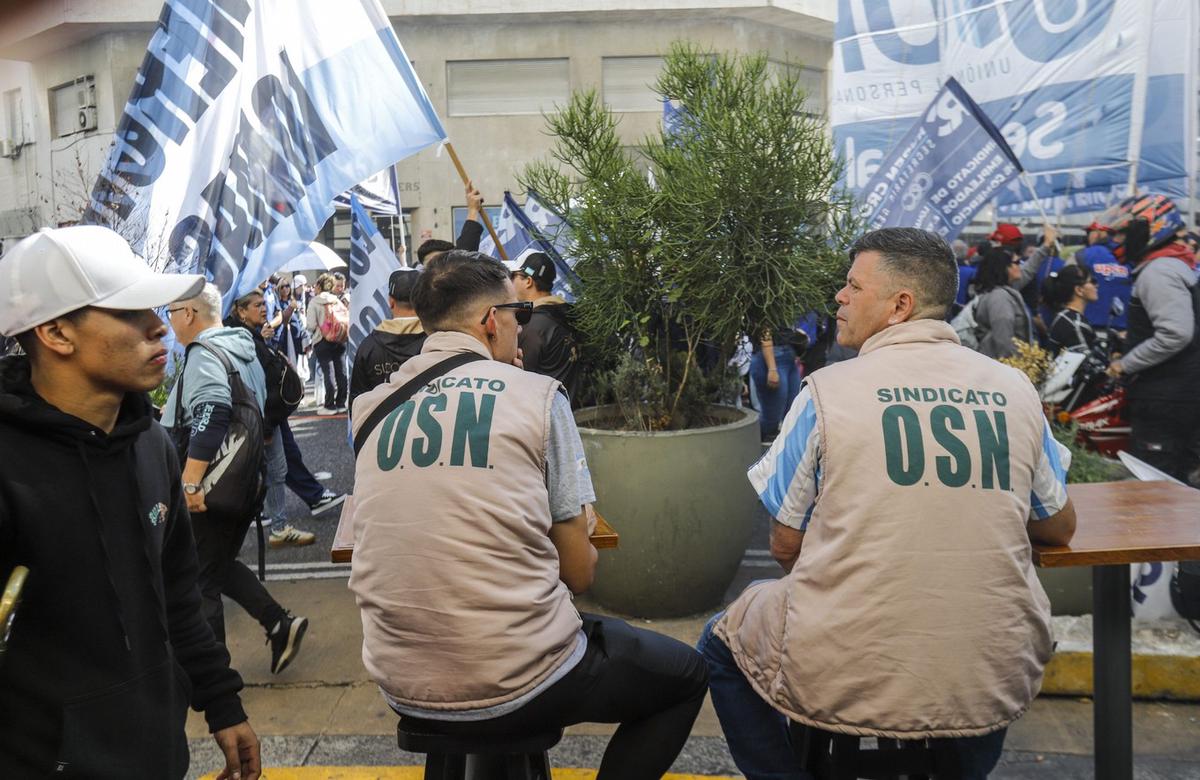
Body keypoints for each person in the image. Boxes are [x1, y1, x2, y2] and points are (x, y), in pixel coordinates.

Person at [698, 227, 1076, 780]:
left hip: (843, 670)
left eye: (853, 286)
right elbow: (1059, 528)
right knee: (979, 669)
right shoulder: (1014, 391)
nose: (839, 298)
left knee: (718, 644)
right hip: (990, 673)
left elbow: (785, 546)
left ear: (900, 305)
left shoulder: (826, 393)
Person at [349, 250, 708, 779]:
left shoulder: (370, 409)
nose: (523, 326)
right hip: (519, 675)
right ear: (491, 321)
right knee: (685, 675)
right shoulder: (538, 397)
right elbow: (579, 574)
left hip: (400, 679)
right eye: (521, 314)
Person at [0, 226, 261, 779]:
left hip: (158, 752)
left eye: (155, 308)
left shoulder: (152, 444)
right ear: (54, 332)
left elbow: (178, 590)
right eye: (128, 312)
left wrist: (221, 700)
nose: (158, 327)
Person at [164, 283, 310, 675]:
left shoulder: (204, 353)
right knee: (216, 563)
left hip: (210, 486)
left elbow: (212, 410)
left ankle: (211, 677)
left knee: (200, 582)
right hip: (243, 482)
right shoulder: (241, 348)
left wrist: (191, 480)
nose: (170, 321)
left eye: (171, 312)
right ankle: (279, 623)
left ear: (189, 313)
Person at [1105, 194, 1200, 482]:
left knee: (1156, 487)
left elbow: (1176, 332)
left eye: (1123, 232)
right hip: (1180, 393)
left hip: (1166, 398)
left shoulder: (1158, 271)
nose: (1118, 240)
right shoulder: (1174, 265)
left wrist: (1125, 364)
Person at [226, 289, 318, 548]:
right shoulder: (242, 339)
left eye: (263, 304)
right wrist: (264, 425)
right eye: (257, 305)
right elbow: (253, 385)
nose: (264, 308)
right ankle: (275, 527)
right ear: (241, 311)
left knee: (275, 470)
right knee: (270, 471)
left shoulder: (249, 335)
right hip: (262, 419)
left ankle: (275, 524)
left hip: (268, 418)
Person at [349, 268, 426, 406]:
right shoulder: (436, 341)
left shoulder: (368, 346)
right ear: (422, 300)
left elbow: (356, 401)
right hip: (426, 425)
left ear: (390, 301)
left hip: (381, 425)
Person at [511, 252, 582, 400]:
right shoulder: (572, 314)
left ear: (528, 281)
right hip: (570, 409)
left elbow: (521, 380)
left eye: (513, 276)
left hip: (543, 413)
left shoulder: (531, 325)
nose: (510, 282)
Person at [972, 248, 1035, 360]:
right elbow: (1004, 340)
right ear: (1004, 267)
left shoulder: (998, 293)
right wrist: (1017, 366)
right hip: (1005, 368)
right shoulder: (999, 297)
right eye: (1016, 262)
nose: (1020, 266)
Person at [305, 273, 348, 414]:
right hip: (339, 338)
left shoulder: (314, 302)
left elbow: (310, 325)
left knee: (328, 372)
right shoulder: (336, 300)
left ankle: (329, 405)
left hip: (322, 340)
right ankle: (341, 402)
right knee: (341, 371)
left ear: (318, 286)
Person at [1076, 221, 1130, 330]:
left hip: (1090, 326)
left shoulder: (1083, 255)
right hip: (1126, 328)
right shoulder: (1129, 256)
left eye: (1089, 232)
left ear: (1097, 233)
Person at [1043, 265, 1100, 356]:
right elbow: (1088, 365)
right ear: (1079, 290)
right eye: (1092, 281)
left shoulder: (1063, 317)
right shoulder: (1075, 324)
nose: (1096, 285)